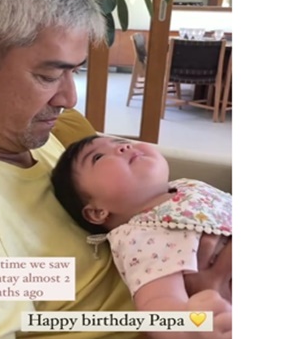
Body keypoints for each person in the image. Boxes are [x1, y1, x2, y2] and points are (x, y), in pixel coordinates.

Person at [0, 0, 230, 339]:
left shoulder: (27, 138)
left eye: (75, 73)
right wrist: (177, 317)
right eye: (49, 76)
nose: (69, 98)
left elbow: (50, 299)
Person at [51, 135, 233, 338]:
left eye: (121, 143)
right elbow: (158, 302)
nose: (124, 147)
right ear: (97, 212)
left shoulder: (185, 185)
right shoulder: (139, 237)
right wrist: (190, 328)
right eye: (98, 157)